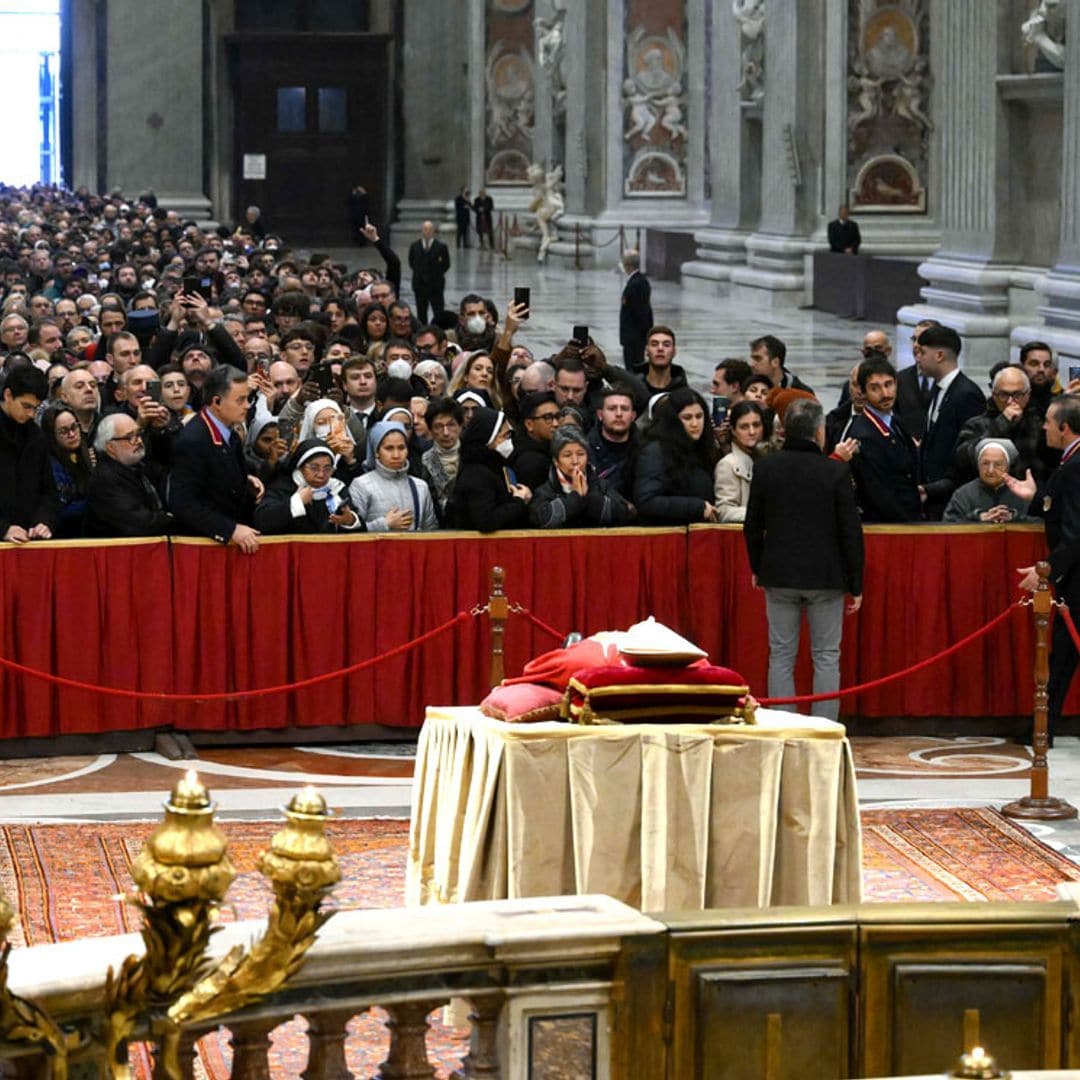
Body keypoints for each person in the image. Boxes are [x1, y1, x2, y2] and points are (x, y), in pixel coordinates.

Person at [744, 397, 864, 721]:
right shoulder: (834, 471)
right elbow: (850, 532)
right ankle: (824, 727)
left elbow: (752, 524)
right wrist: (856, 583)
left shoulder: (766, 467)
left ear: (784, 431)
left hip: (778, 574)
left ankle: (783, 723)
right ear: (819, 432)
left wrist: (757, 566)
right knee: (826, 656)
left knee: (781, 654)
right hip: (826, 578)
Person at [1017, 395, 1080, 746]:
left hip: (1077, 579)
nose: (1043, 427)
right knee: (1063, 654)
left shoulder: (1074, 466)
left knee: (1063, 654)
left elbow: (1075, 530)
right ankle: (1043, 727)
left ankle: (1043, 728)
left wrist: (1047, 571)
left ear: (1064, 427)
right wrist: (1035, 496)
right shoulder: (1070, 463)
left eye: (1048, 422)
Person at [168, 365, 264, 552]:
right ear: (217, 402)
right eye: (241, 400)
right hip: (202, 547)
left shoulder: (230, 431)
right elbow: (183, 504)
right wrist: (230, 529)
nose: (247, 405)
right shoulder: (193, 440)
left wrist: (243, 480)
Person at [915, 324, 985, 519]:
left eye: (922, 352)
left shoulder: (967, 394)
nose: (917, 358)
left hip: (952, 499)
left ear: (939, 355)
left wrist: (937, 488)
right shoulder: (936, 390)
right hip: (931, 496)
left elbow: (967, 455)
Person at [847, 352, 921, 522]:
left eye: (888, 384)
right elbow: (880, 496)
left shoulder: (896, 421)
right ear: (863, 392)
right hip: (891, 527)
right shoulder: (865, 435)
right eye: (875, 388)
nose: (885, 393)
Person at [633, 386, 719, 524]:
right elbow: (646, 501)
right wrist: (697, 507)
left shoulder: (703, 449)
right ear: (674, 420)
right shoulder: (655, 451)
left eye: (699, 416)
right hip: (667, 536)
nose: (695, 424)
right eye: (687, 417)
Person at [84, 412, 173, 538]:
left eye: (138, 434)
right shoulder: (105, 480)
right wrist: (172, 520)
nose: (139, 441)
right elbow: (139, 523)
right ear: (110, 447)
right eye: (130, 437)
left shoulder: (138, 466)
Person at [529, 425, 635, 528]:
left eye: (580, 454)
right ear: (556, 461)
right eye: (567, 455)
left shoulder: (602, 486)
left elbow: (626, 514)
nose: (575, 461)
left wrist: (589, 498)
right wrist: (575, 498)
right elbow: (540, 520)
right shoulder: (545, 491)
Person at [255, 439, 364, 535]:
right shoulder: (283, 486)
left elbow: (360, 530)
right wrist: (296, 501)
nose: (321, 474)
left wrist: (350, 521)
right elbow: (261, 521)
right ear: (301, 466)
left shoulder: (336, 488)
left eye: (327, 468)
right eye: (314, 467)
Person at [449, 405, 532, 531]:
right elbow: (486, 521)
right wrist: (518, 501)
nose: (508, 441)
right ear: (488, 438)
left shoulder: (496, 465)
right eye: (504, 436)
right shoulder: (476, 474)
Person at [0, 366, 57, 543]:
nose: (31, 414)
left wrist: (44, 521)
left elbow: (48, 491)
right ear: (8, 395)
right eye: (26, 406)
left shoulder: (36, 436)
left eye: (36, 408)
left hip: (28, 539)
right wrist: (3, 528)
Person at [349, 420, 437, 532]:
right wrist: (385, 524)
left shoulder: (420, 486)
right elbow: (353, 533)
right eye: (389, 448)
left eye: (401, 448)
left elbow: (431, 531)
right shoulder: (361, 485)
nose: (396, 455)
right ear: (376, 452)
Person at [943, 439, 1036, 524]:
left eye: (998, 464)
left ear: (1008, 468)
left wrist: (1014, 517)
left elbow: (1042, 523)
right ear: (978, 465)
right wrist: (978, 518)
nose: (990, 470)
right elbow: (948, 526)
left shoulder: (1022, 493)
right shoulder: (963, 494)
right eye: (985, 463)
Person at [41, 405, 93, 538]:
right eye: (64, 431)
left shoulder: (85, 455)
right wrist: (95, 502)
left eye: (74, 427)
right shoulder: (51, 466)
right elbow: (59, 512)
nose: (72, 434)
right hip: (63, 537)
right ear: (52, 435)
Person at [713, 401, 766, 523]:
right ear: (733, 430)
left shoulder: (765, 458)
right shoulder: (727, 464)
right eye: (744, 427)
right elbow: (723, 511)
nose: (752, 432)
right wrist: (761, 513)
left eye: (756, 425)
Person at [587, 388, 638, 499]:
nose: (619, 414)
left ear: (633, 416)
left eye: (624, 409)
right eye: (612, 409)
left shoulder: (645, 450)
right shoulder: (584, 450)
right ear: (600, 414)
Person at [421, 396, 464, 521]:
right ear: (430, 429)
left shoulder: (471, 455)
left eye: (451, 425)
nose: (446, 432)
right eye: (439, 426)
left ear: (461, 426)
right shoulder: (425, 460)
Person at [511, 391, 560, 491]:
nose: (556, 423)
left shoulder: (550, 447)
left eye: (558, 416)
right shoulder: (531, 462)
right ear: (529, 424)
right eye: (548, 418)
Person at [408, 221, 451, 323]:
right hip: (420, 285)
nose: (427, 232)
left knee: (438, 311)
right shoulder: (415, 246)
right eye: (425, 229)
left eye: (429, 229)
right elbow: (411, 262)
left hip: (436, 285)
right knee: (421, 312)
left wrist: (436, 274)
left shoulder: (441, 247)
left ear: (433, 231)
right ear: (422, 230)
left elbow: (446, 264)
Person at [619, 249, 653, 373]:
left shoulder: (636, 284)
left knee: (633, 368)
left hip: (634, 337)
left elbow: (640, 313)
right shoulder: (638, 281)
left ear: (628, 265)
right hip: (633, 337)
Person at [749, 335, 815, 395]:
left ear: (775, 362)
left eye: (758, 359)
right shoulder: (745, 387)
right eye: (752, 359)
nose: (752, 364)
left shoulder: (802, 394)